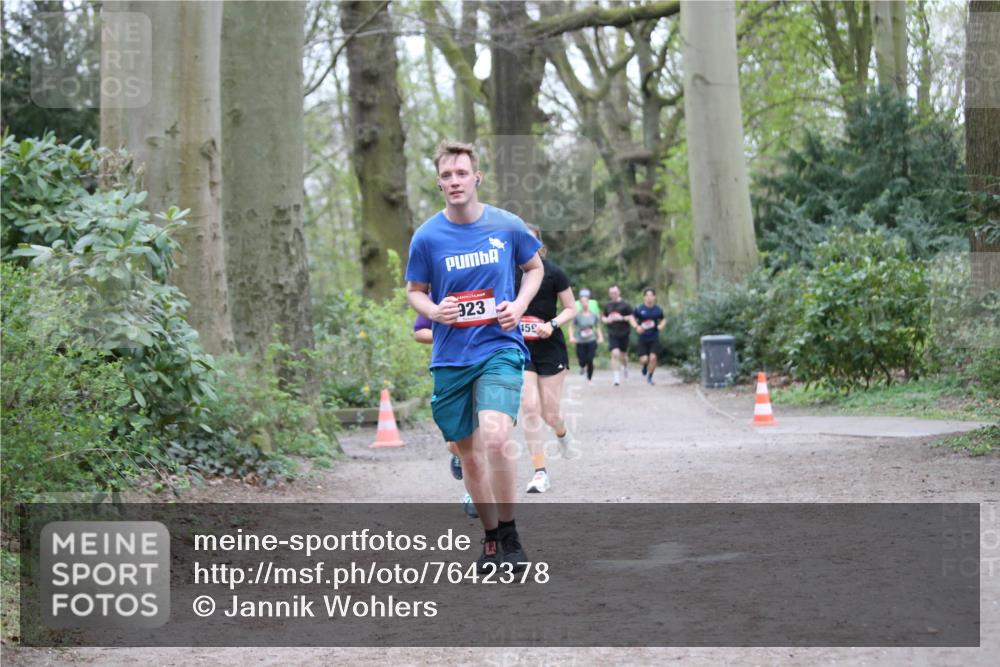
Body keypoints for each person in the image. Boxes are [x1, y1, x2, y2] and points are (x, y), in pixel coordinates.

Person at [405, 139, 543, 574]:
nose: (454, 181)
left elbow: (534, 268)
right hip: (450, 357)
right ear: (439, 182)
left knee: (498, 437)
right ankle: (489, 538)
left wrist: (519, 306)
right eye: (446, 175)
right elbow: (414, 292)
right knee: (470, 455)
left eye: (461, 173)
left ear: (476, 177)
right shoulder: (427, 236)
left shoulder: (507, 225)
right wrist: (433, 311)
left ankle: (510, 533)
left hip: (499, 347)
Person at [515, 224, 577, 494]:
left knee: (549, 413)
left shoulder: (553, 273)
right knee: (529, 407)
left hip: (550, 347)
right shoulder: (507, 273)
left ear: (539, 245)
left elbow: (571, 308)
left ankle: (562, 432)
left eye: (530, 241)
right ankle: (540, 472)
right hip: (521, 347)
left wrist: (552, 324)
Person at [413, 313, 475, 517]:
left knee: (488, 432)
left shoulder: (491, 283)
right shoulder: (439, 290)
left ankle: (473, 494)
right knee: (460, 437)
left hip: (488, 364)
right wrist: (448, 333)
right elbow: (420, 332)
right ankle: (457, 454)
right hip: (450, 366)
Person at [631, 287, 666, 385]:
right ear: (644, 297)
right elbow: (631, 318)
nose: (649, 298)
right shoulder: (639, 309)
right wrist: (636, 327)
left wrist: (660, 326)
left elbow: (663, 319)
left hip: (654, 337)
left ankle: (650, 377)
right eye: (647, 296)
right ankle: (644, 366)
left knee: (653, 358)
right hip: (643, 338)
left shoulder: (658, 309)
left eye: (651, 295)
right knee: (644, 359)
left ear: (654, 297)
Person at [569, 288, 603, 383]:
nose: (584, 303)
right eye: (582, 302)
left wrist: (600, 337)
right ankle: (582, 367)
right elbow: (571, 326)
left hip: (591, 339)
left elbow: (597, 327)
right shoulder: (577, 315)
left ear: (588, 302)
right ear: (580, 303)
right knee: (582, 360)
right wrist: (572, 337)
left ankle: (589, 377)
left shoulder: (593, 315)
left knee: (590, 359)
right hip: (580, 340)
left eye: (585, 301)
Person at [602, 285, 633, 386]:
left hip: (624, 333)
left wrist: (622, 318)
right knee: (615, 354)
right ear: (609, 294)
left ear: (619, 292)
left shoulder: (626, 305)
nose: (613, 295)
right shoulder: (608, 305)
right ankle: (616, 378)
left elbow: (631, 317)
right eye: (611, 293)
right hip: (612, 333)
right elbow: (603, 317)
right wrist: (607, 320)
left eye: (615, 292)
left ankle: (625, 368)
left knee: (623, 355)